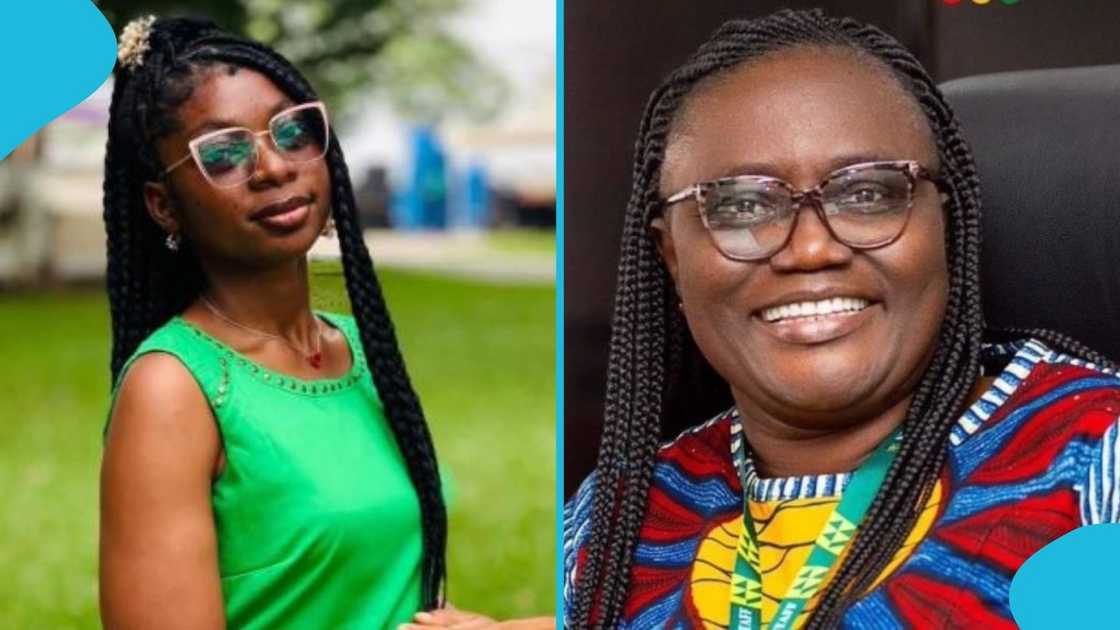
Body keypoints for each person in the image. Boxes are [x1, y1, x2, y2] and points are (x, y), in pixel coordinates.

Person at [563, 9, 1120, 629]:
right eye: (743, 205)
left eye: (867, 194)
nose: (809, 249)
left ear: (944, 220)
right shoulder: (611, 525)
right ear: (672, 257)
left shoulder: (1096, 466)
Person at [98, 15, 450, 628]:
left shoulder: (362, 347)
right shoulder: (173, 389)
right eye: (225, 153)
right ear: (163, 205)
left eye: (293, 131)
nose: (273, 167)